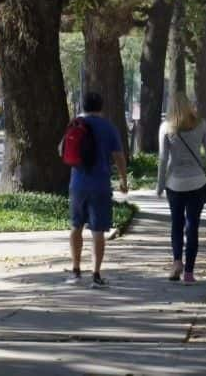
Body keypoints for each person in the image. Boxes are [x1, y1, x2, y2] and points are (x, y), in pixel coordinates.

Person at [157, 92, 206, 284]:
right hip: (197, 182)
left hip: (174, 184)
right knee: (192, 225)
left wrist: (160, 185)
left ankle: (177, 261)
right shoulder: (201, 125)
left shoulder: (166, 128)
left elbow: (163, 161)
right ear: (189, 105)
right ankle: (189, 273)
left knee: (176, 223)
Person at [67, 92, 128, 288]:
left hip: (77, 183)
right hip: (100, 184)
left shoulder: (75, 124)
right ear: (101, 107)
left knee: (76, 226)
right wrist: (123, 179)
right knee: (98, 231)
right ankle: (96, 274)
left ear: (83, 106)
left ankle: (76, 270)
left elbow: (62, 149)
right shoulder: (108, 127)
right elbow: (118, 156)